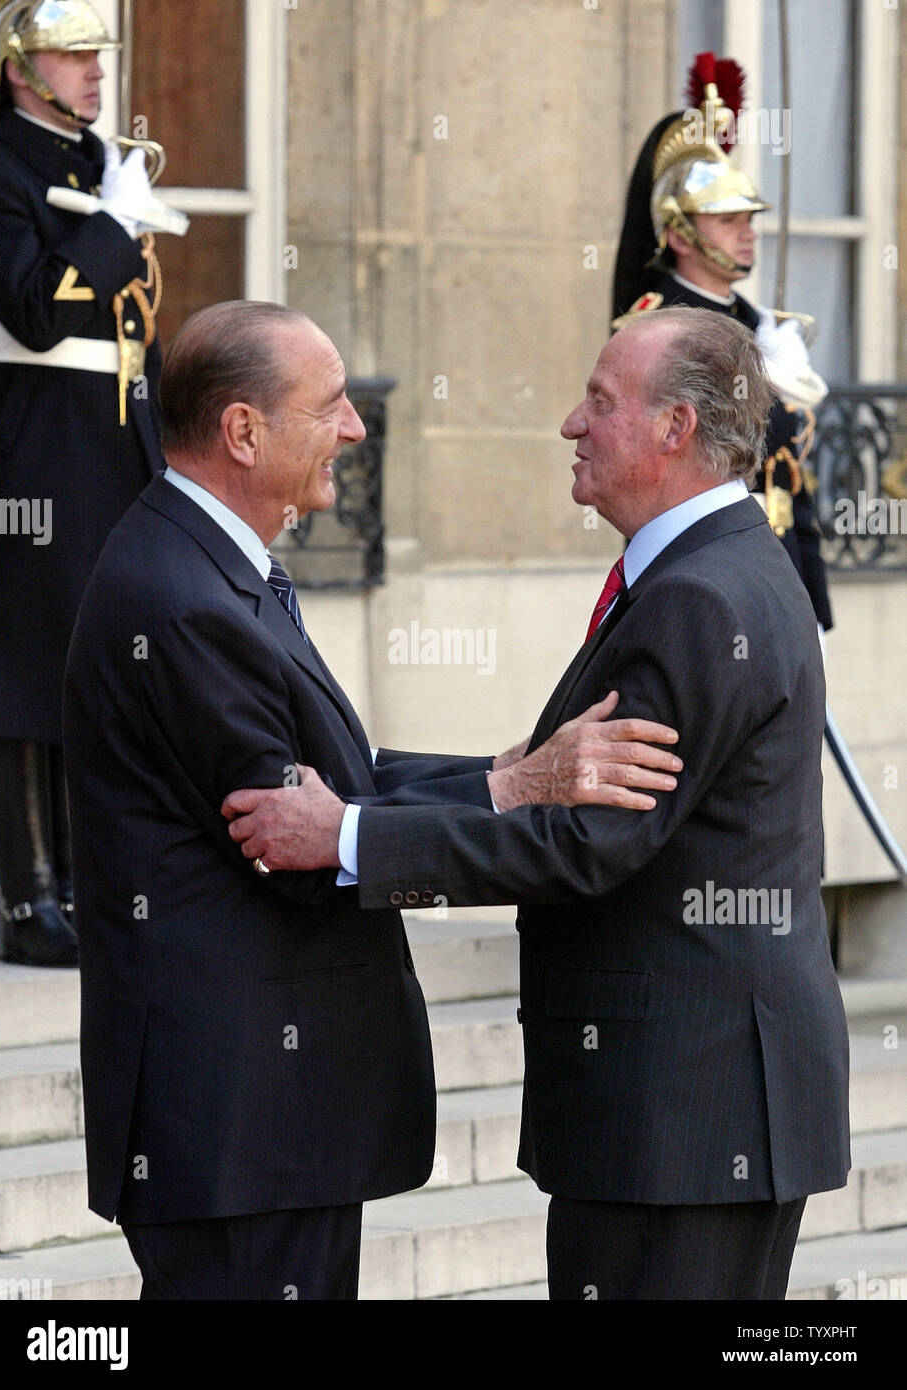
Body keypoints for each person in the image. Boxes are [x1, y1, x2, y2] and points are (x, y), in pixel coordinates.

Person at [62, 299, 684, 1301]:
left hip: (262, 1126)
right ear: (242, 430)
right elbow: (294, 848)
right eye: (332, 404)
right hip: (237, 1126)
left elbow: (335, 780)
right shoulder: (180, 598)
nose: (354, 428)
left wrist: (499, 770)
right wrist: (517, 789)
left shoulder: (209, 563)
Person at [226, 308, 851, 1301]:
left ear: (675, 429)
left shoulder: (700, 598)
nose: (570, 423)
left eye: (601, 403)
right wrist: (368, 783)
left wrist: (344, 836)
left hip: (682, 1120)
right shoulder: (716, 568)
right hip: (694, 1110)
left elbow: (581, 843)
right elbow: (541, 776)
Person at [0, 0, 169, 965]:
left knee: (94, 669)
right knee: (25, 677)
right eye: (74, 53)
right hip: (37, 450)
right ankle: (29, 902)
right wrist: (114, 227)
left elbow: (133, 325)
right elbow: (35, 311)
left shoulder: (96, 163)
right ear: (19, 66)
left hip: (113, 440)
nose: (97, 70)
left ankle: (94, 889)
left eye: (100, 52)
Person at [610, 52, 832, 632]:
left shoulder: (763, 324)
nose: (747, 232)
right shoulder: (659, 327)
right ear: (680, 233)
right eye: (727, 220)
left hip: (789, 561)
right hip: (712, 570)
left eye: (749, 218)